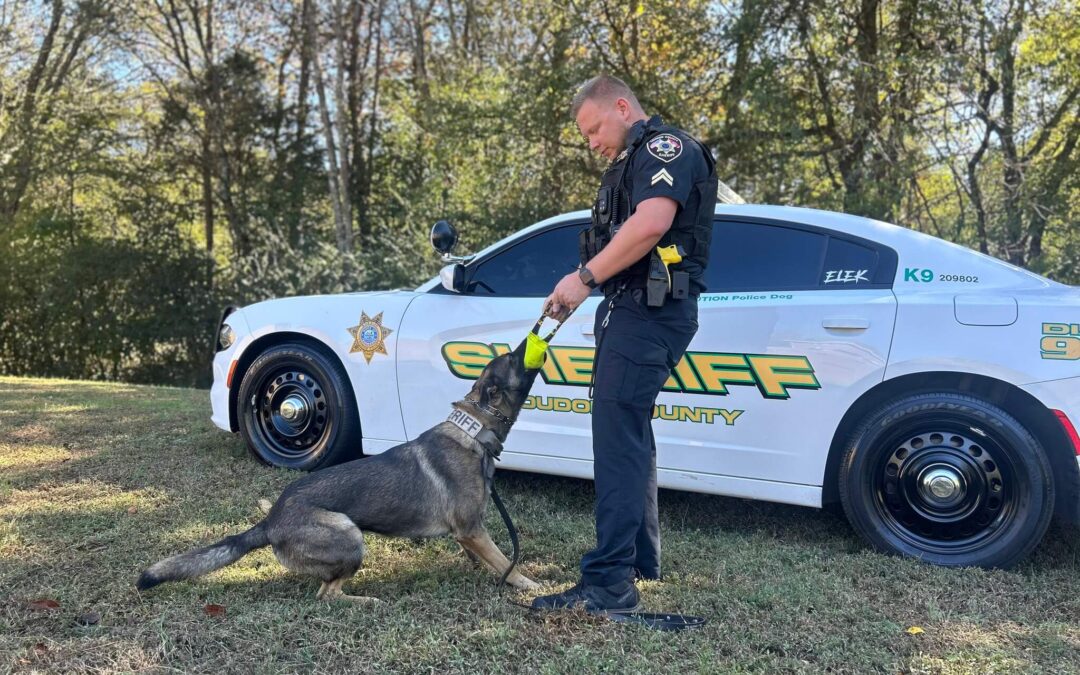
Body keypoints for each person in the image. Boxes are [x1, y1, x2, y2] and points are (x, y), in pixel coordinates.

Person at [531, 75, 718, 613]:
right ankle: (637, 560)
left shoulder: (667, 148)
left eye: (593, 129)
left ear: (621, 106)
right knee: (629, 436)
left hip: (649, 315)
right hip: (631, 309)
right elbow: (623, 244)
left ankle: (608, 584)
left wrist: (583, 279)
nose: (590, 143)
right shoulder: (629, 164)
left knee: (616, 443)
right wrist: (582, 289)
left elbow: (652, 224)